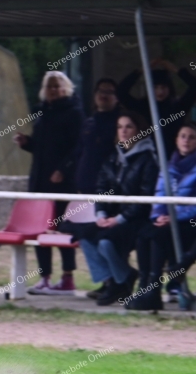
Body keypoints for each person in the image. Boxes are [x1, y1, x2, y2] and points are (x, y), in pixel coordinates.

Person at [14, 71, 84, 295]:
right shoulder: (42, 112)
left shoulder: (74, 113)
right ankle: (44, 277)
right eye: (49, 86)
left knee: (62, 228)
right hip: (40, 178)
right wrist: (27, 143)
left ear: (66, 87)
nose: (53, 90)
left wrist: (63, 170)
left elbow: (78, 148)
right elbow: (42, 147)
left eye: (57, 85)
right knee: (39, 228)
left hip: (63, 182)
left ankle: (67, 278)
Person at [79, 111, 158, 306]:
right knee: (85, 237)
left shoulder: (148, 159)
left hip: (137, 219)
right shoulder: (113, 156)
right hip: (113, 217)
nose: (123, 131)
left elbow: (145, 198)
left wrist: (120, 218)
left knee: (106, 242)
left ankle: (119, 282)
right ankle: (117, 279)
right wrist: (101, 213)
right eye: (120, 127)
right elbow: (102, 188)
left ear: (139, 130)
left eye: (128, 126)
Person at [127, 122, 196, 310]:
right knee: (143, 235)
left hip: (190, 221)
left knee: (158, 236)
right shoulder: (169, 165)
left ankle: (154, 290)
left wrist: (175, 217)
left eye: (191, 137)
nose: (186, 141)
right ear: (176, 140)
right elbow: (160, 193)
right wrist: (158, 214)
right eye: (183, 136)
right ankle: (144, 287)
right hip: (168, 219)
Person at [117, 59, 196, 157]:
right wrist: (141, 70)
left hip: (174, 159)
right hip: (148, 158)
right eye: (155, 87)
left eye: (163, 87)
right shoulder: (142, 107)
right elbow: (120, 92)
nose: (160, 92)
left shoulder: (178, 107)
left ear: (169, 88)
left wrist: (176, 70)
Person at [72, 78, 122, 195]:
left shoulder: (121, 123)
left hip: (108, 187)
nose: (104, 95)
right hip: (85, 184)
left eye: (109, 92)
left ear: (117, 98)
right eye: (100, 91)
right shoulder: (88, 122)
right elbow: (79, 152)